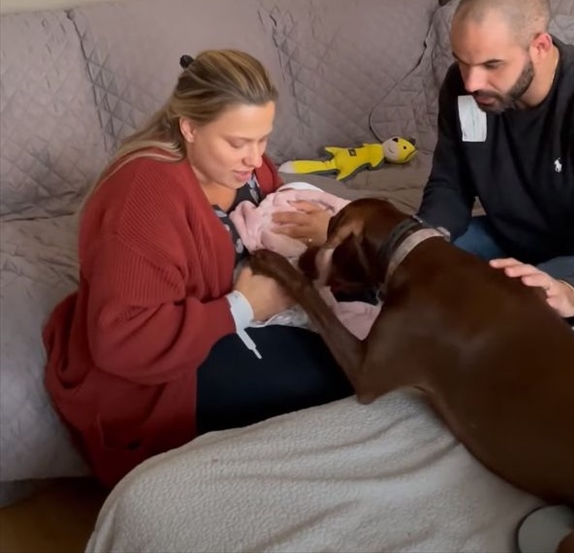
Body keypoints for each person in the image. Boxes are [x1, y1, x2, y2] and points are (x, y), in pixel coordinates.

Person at [43, 49, 351, 489]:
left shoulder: (248, 169)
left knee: (368, 337)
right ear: (189, 126)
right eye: (238, 142)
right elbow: (122, 341)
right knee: (342, 373)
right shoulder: (144, 197)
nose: (254, 157)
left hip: (231, 323)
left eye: (263, 139)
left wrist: (315, 229)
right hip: (154, 374)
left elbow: (276, 219)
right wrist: (243, 307)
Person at [417, 0, 574, 320]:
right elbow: (450, 183)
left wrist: (570, 289)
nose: (473, 82)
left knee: (517, 319)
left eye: (492, 65)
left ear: (540, 47)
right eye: (462, 60)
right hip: (506, 237)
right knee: (407, 270)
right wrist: (426, 237)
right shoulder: (461, 89)